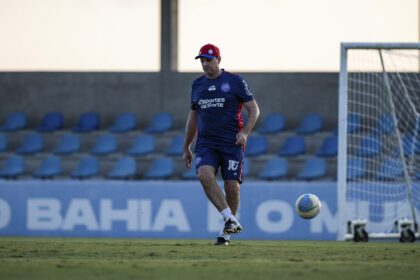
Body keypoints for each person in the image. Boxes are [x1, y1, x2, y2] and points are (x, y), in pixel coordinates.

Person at [182, 43, 260, 246]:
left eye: (209, 60)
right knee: (203, 175)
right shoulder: (197, 85)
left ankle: (226, 233)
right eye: (202, 61)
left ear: (219, 60)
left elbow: (254, 110)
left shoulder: (234, 81)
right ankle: (231, 220)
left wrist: (244, 133)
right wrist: (186, 146)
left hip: (231, 143)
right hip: (206, 144)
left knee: (231, 186)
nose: (205, 64)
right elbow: (193, 117)